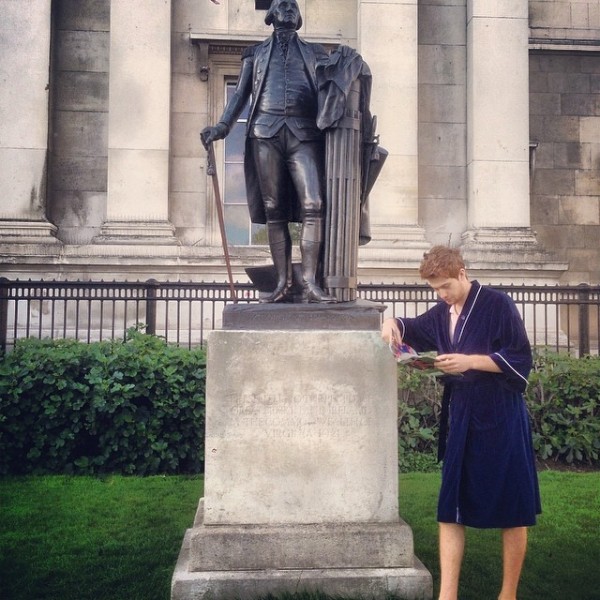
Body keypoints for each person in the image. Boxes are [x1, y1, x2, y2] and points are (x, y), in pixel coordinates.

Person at [381, 246, 541, 600]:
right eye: (435, 289)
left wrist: (470, 361)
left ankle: (508, 594)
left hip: (501, 416)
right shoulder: (442, 313)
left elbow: (519, 358)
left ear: (462, 273)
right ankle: (447, 595)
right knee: (450, 508)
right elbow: (412, 328)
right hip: (462, 417)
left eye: (446, 286)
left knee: (513, 508)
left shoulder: (499, 305)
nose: (442, 294)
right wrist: (392, 324)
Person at [201, 0, 335, 304]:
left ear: (299, 17)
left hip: (304, 134)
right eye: (281, 5)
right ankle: (282, 282)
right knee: (274, 209)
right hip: (265, 132)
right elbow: (240, 94)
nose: (288, 8)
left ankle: (310, 283)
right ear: (271, 15)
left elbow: (333, 89)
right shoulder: (255, 53)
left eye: (292, 5)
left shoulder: (316, 52)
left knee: (314, 204)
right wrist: (222, 127)